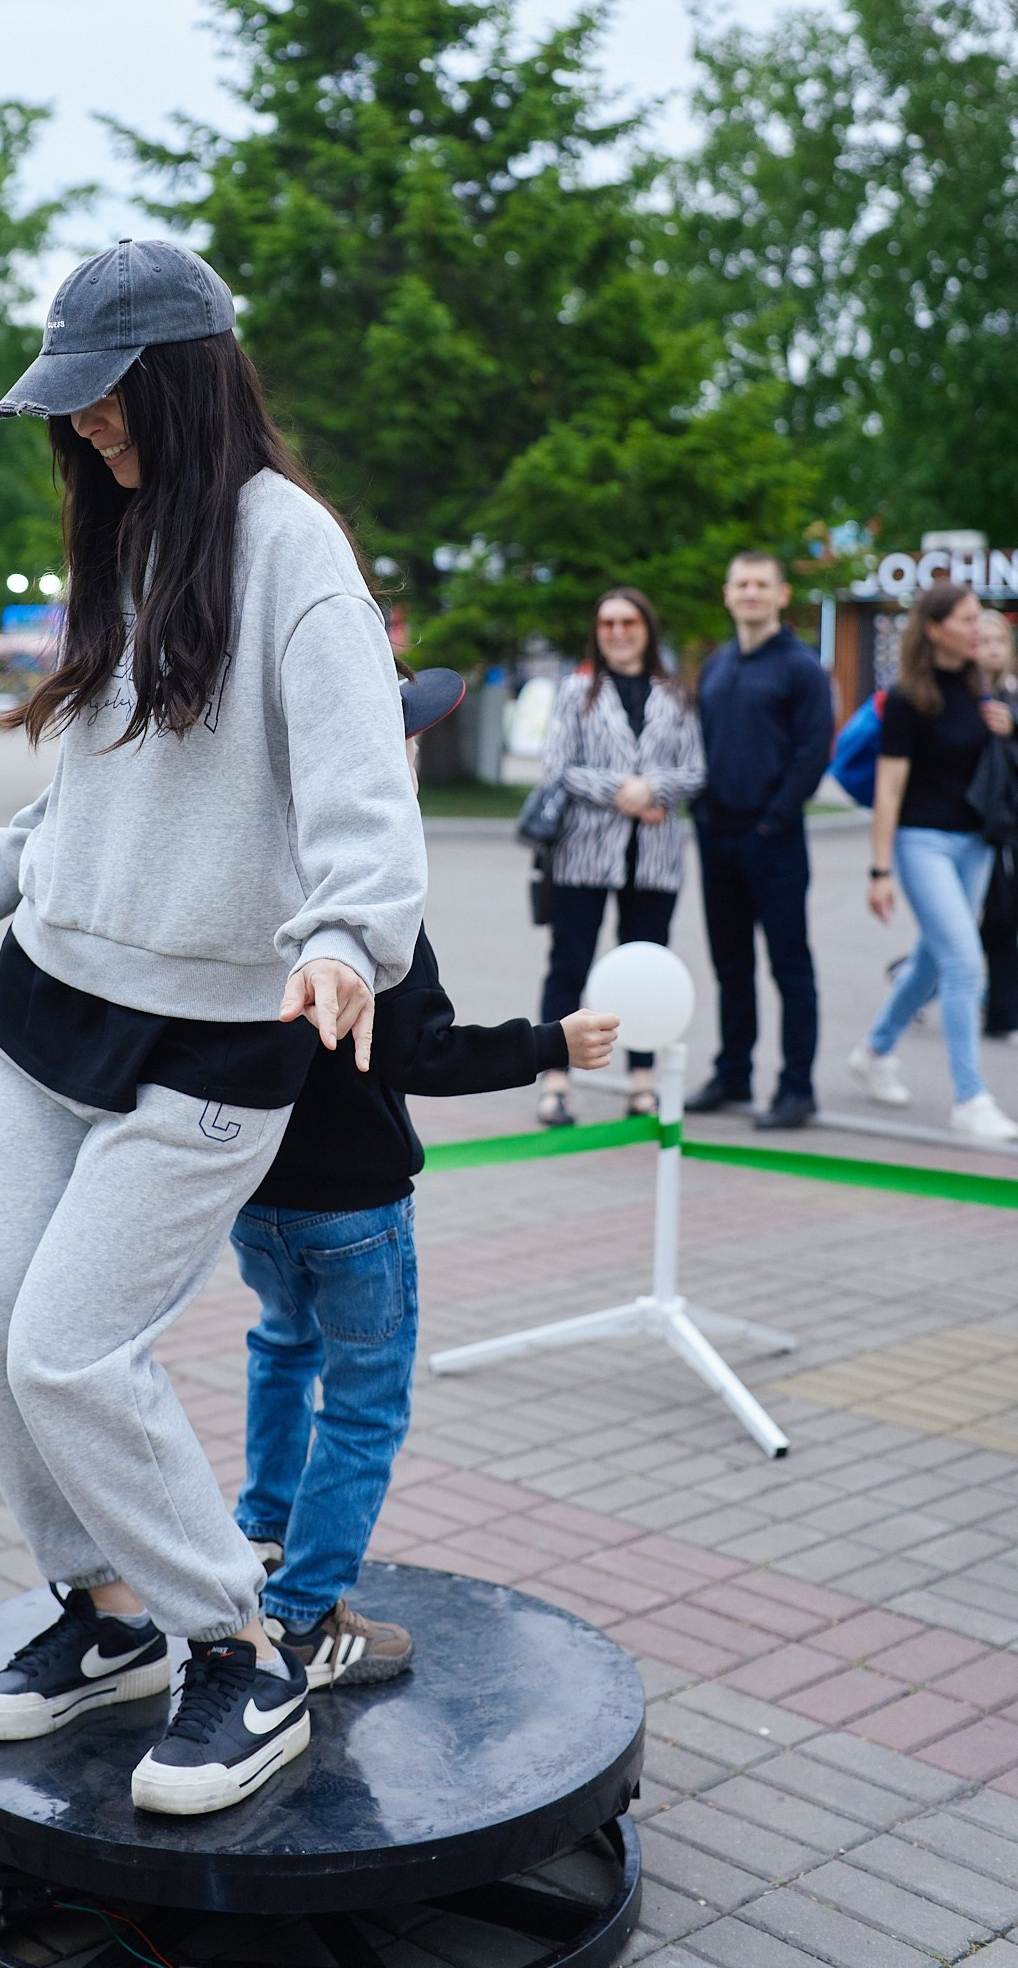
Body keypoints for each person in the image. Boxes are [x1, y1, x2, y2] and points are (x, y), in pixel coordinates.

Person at [0, 237, 425, 1818]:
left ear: (184, 381)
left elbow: (364, 793)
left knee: (70, 1351)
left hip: (214, 1039)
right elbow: (93, 785)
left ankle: (236, 1648)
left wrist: (346, 941)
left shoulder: (289, 548)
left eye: (106, 398)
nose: (86, 426)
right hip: (45, 1009)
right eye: (69, 405)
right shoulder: (122, 531)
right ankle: (101, 1611)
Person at [234, 670, 620, 1687]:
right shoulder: (373, 881)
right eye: (400, 739)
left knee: (282, 1346)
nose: (409, 756)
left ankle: (261, 1536)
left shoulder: (241, 854)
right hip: (353, 1203)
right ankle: (304, 1616)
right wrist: (550, 1043)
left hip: (250, 1188)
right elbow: (421, 1052)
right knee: (362, 1405)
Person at [530, 588, 705, 1128]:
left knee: (646, 968)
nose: (618, 632)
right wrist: (623, 792)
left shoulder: (675, 696)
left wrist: (651, 788)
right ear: (596, 632)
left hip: (654, 860)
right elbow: (558, 767)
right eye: (607, 623)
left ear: (647, 629)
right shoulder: (576, 691)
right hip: (583, 854)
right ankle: (557, 1082)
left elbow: (695, 770)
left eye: (629, 622)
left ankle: (642, 1082)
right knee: (570, 964)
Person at [848, 584, 1018, 1139]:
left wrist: (1010, 728)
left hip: (976, 843)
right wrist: (879, 872)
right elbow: (888, 791)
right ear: (935, 628)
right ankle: (970, 1098)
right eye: (966, 619)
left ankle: (874, 1051)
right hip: (923, 842)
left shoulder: (980, 686)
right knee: (964, 962)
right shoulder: (906, 699)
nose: (978, 628)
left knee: (932, 959)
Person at [687, 551, 834, 1131]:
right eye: (741, 583)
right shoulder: (718, 665)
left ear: (781, 594)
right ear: (728, 594)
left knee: (789, 966)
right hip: (717, 837)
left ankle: (798, 1087)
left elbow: (812, 753)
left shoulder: (802, 668)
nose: (750, 592)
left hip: (774, 840)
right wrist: (701, 813)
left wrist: (773, 819)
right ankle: (734, 1073)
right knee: (731, 965)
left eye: (761, 584)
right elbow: (702, 746)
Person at [977, 610, 1018, 1040]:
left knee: (1003, 918)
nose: (991, 649)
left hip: (1009, 823)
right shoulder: (959, 698)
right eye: (982, 640)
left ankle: (1002, 1009)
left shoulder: (1012, 697)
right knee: (995, 919)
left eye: (999, 641)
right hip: (973, 826)